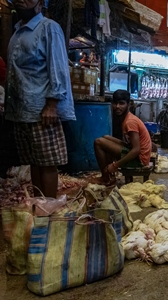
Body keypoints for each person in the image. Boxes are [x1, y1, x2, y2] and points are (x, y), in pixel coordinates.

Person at [5, 0, 75, 198]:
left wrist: (52, 105)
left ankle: (49, 210)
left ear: (39, 3)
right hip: (21, 111)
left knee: (47, 163)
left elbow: (58, 68)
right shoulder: (18, 32)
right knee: (34, 162)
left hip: (42, 110)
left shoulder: (49, 28)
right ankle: (39, 204)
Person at [93, 90, 151, 185]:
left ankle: (106, 178)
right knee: (105, 137)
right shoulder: (127, 118)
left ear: (129, 104)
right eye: (115, 103)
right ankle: (110, 176)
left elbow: (136, 149)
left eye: (121, 103)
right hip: (136, 153)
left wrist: (115, 165)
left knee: (98, 142)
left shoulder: (130, 122)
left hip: (139, 160)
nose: (117, 106)